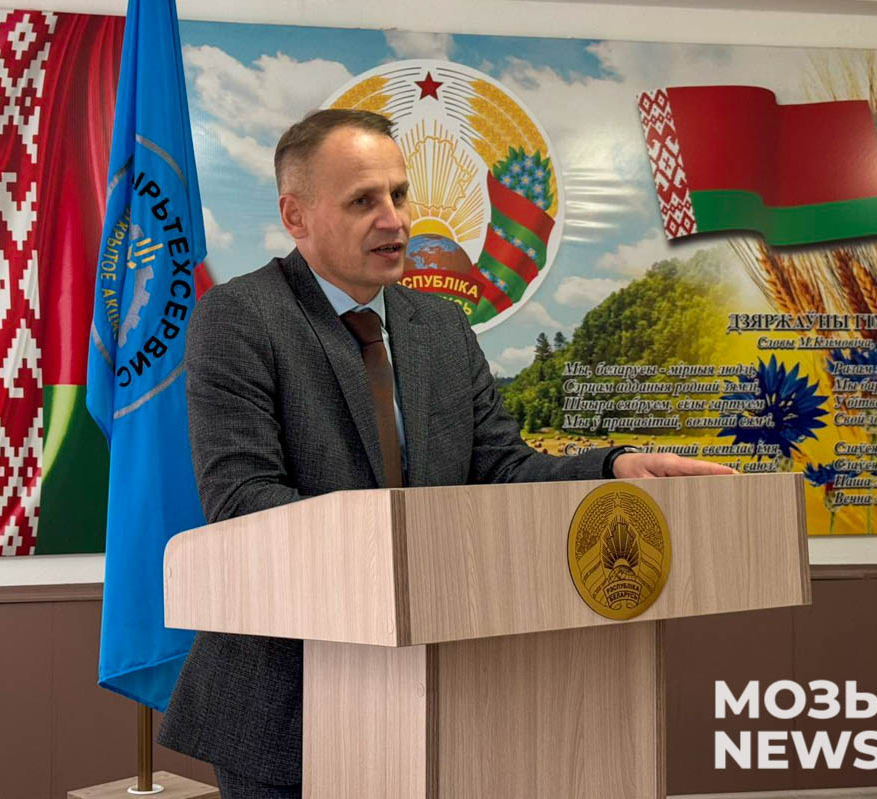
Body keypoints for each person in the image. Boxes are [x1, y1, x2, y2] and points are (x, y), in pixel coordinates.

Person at [157, 108, 732, 798]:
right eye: (363, 201)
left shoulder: (440, 324)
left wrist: (614, 467)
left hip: (446, 694)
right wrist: (407, 550)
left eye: (399, 194)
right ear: (295, 216)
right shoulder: (240, 315)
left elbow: (503, 468)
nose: (396, 219)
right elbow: (243, 502)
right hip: (287, 705)